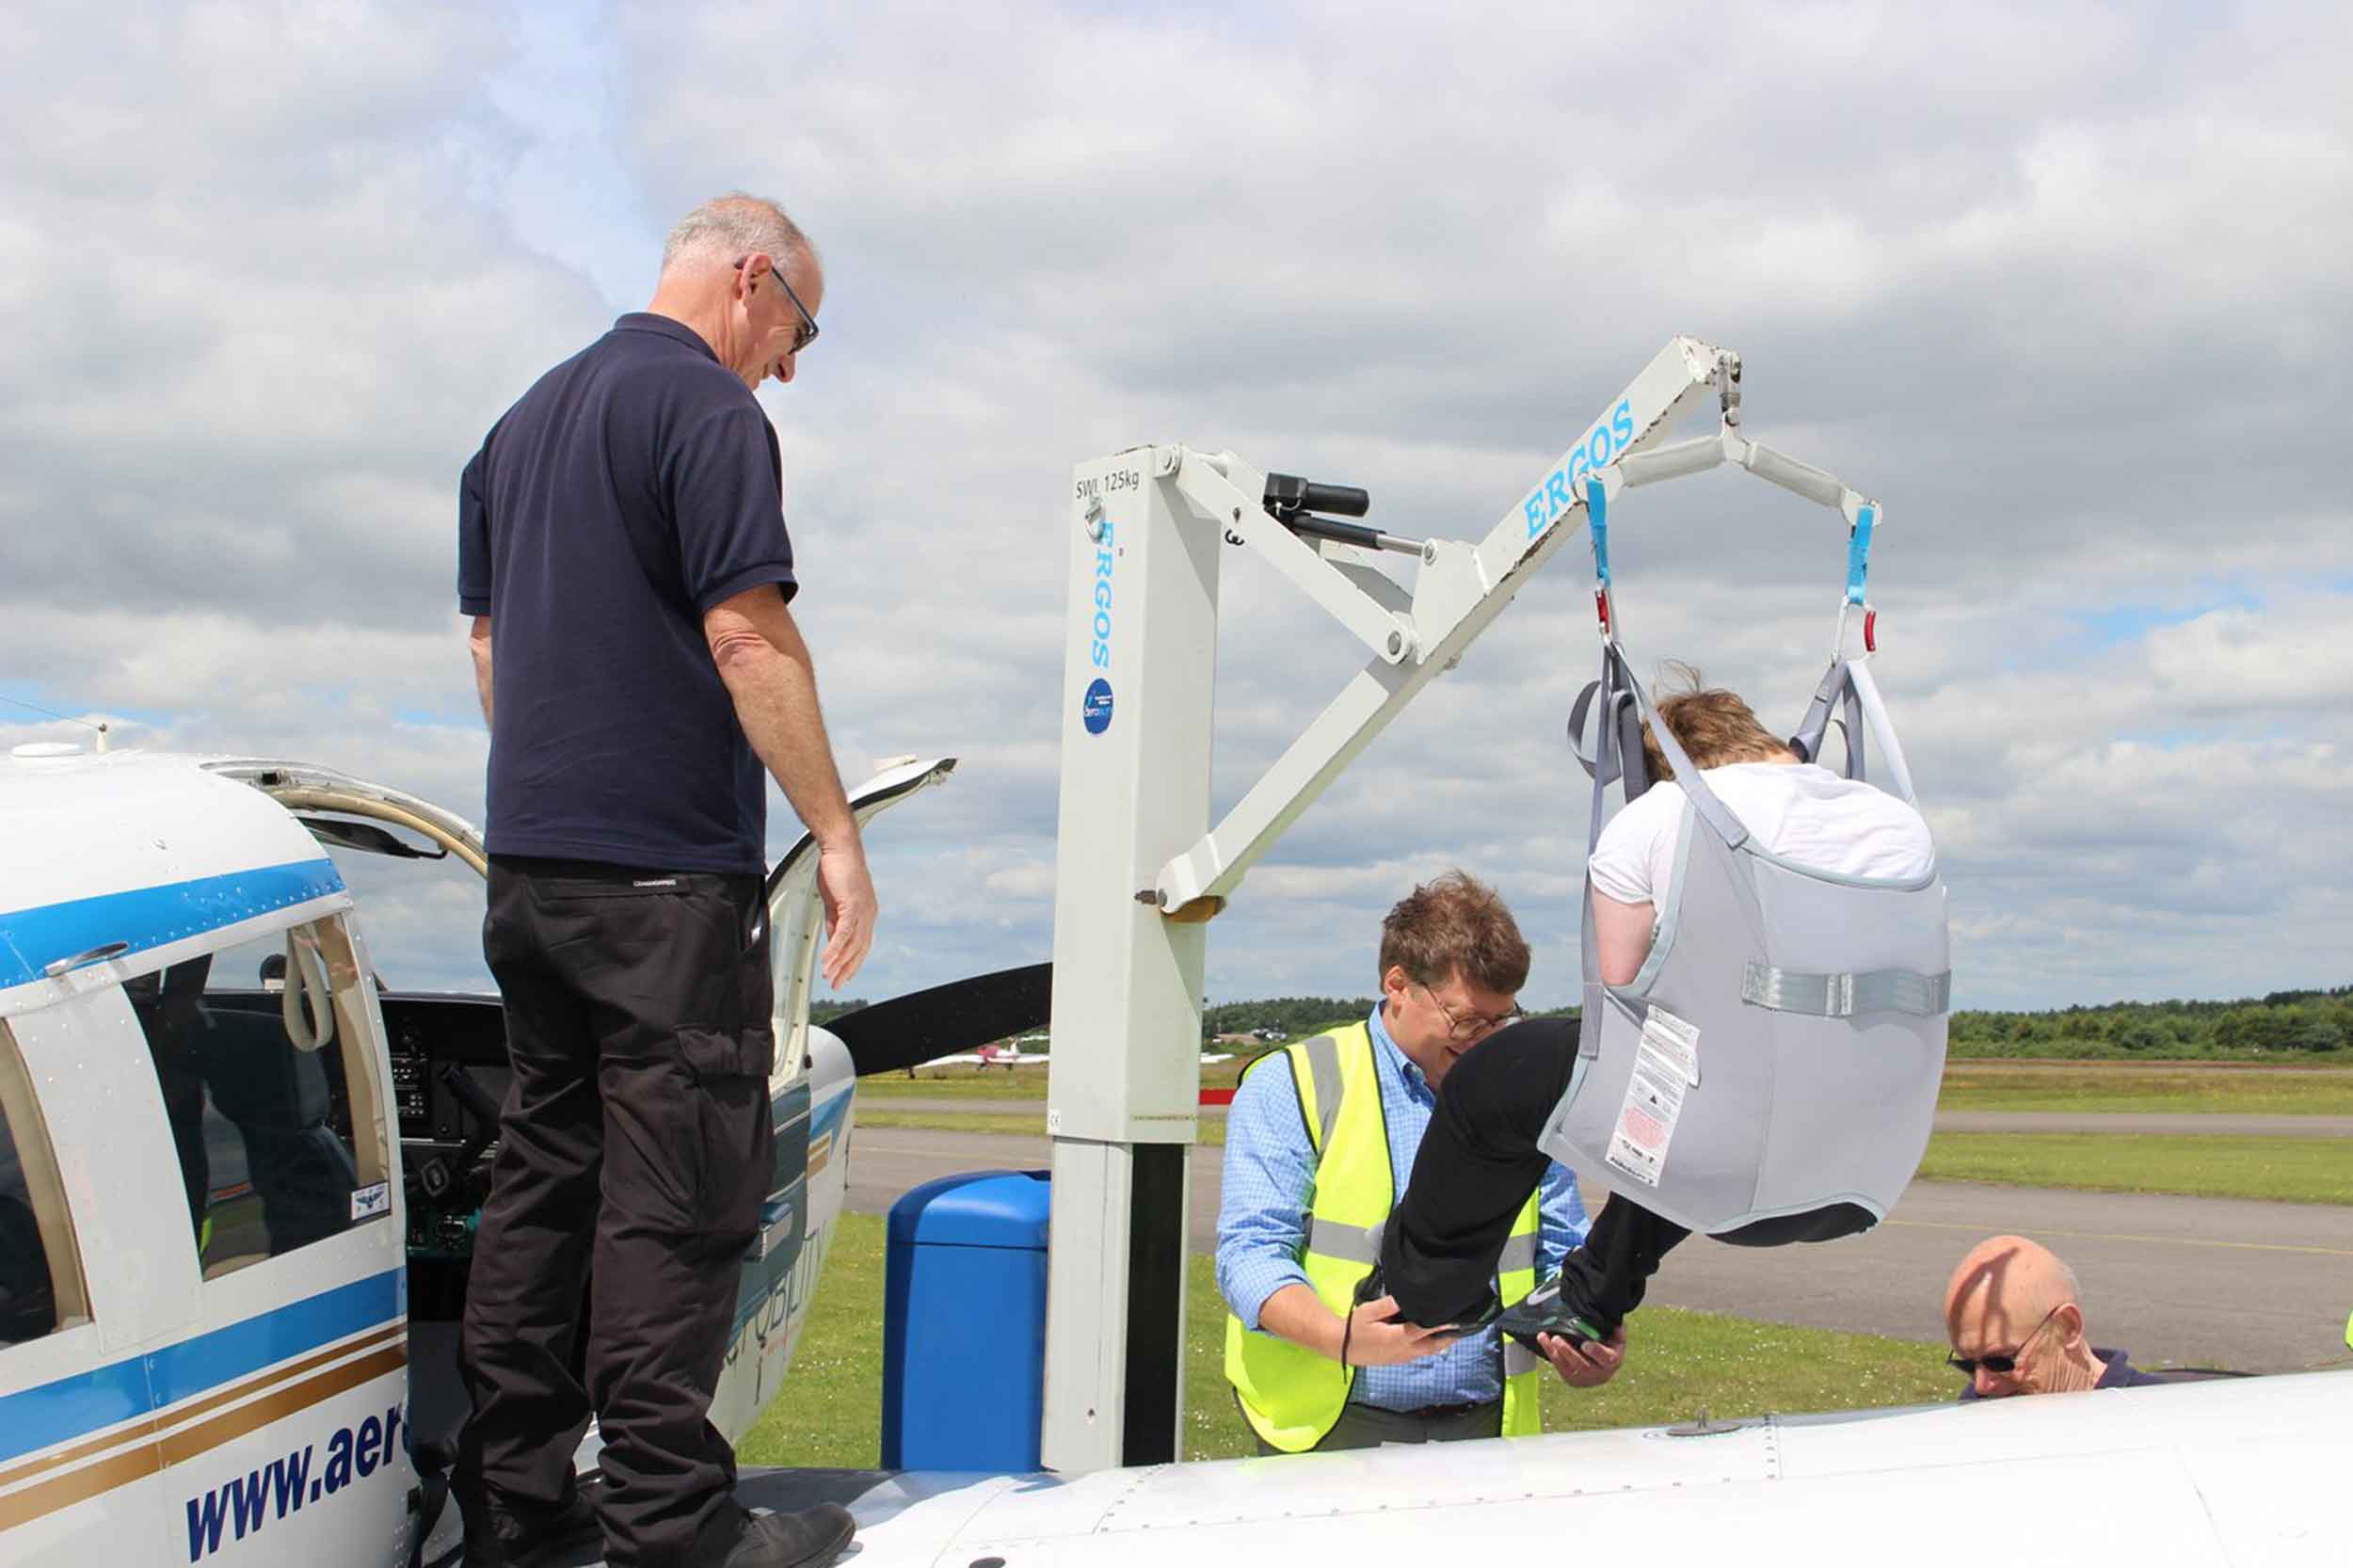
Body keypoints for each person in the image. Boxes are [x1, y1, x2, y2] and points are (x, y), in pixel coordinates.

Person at [454, 193, 873, 1568]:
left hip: (529, 870)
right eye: (798, 328)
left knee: (543, 1181)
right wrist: (839, 834)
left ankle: (517, 1500)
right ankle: (674, 1523)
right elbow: (749, 636)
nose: (790, 365)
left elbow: (491, 657)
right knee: (678, 1193)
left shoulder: (516, 429)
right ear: (751, 277)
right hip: (659, 881)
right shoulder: (706, 414)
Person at [1378, 672, 1936, 1351]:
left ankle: (1428, 1295)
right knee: (1694, 1074)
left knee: (1510, 1074)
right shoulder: (1896, 820)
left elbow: (1625, 992)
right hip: (1868, 1169)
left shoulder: (1658, 815)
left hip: (1731, 1177)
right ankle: (1588, 1295)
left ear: (1664, 768)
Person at [1217, 872, 1622, 1455]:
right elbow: (1249, 1254)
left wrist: (1588, 1328)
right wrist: (1343, 1339)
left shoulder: (1522, 1090)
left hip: (1487, 1430)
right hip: (1329, 1426)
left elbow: (1561, 1249)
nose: (1486, 1040)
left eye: (1501, 1020)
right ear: (1398, 985)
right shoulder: (1295, 1082)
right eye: (1465, 1021)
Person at [1945, 1235, 2174, 1398]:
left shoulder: (2155, 1411)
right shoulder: (1977, 1409)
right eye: (1967, 1365)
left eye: (1999, 1362)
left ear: (2067, 1328)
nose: (1982, 1387)